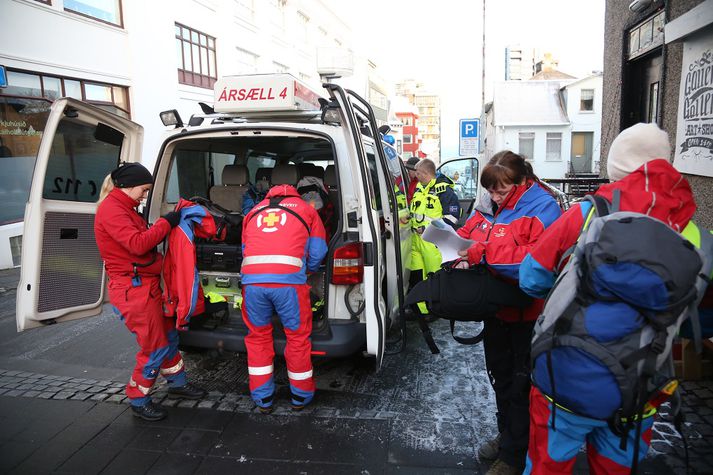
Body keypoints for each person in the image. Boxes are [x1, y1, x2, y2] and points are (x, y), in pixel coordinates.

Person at [519, 123, 704, 474]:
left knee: (548, 465)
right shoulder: (694, 233)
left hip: (566, 375)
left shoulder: (587, 213)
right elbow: (699, 313)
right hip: (641, 382)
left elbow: (531, 278)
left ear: (616, 165)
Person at [454, 151, 562, 475]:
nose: (494, 196)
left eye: (501, 190)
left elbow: (536, 261)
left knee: (522, 385)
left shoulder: (544, 207)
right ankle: (508, 437)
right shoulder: (489, 205)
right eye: (490, 190)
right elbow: (468, 235)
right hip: (497, 309)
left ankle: (515, 455)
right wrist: (454, 242)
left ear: (521, 181)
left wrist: (481, 252)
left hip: (529, 314)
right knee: (500, 377)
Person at [94, 163, 207, 421]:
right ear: (127, 186)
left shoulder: (125, 208)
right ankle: (138, 398)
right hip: (133, 290)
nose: (145, 195)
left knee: (168, 336)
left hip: (146, 285)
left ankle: (177, 384)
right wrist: (166, 223)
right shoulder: (113, 210)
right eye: (143, 190)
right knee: (154, 346)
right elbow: (138, 244)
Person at [240, 177, 328, 413]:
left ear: (270, 193)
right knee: (297, 338)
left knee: (257, 338)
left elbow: (245, 249)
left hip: (252, 285)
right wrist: (305, 270)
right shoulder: (307, 210)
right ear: (296, 193)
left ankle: (263, 399)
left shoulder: (254, 211)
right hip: (289, 285)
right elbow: (319, 251)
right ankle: (300, 396)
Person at [408, 159, 461, 310]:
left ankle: (437, 308)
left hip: (433, 241)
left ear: (424, 173)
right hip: (415, 240)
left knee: (435, 276)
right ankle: (422, 311)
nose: (415, 176)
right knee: (418, 276)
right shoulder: (419, 188)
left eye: (417, 173)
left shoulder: (443, 190)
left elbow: (452, 218)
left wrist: (428, 229)